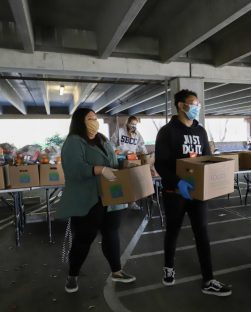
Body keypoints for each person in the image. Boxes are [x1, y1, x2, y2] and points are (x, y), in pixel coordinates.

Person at [154, 89, 232, 296]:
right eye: (192, 103)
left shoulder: (201, 131)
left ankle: (209, 279)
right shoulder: (167, 131)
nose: (196, 107)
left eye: (198, 104)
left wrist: (212, 182)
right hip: (174, 192)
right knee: (173, 231)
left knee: (202, 234)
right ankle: (168, 268)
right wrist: (178, 183)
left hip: (197, 194)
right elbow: (160, 164)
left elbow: (207, 160)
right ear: (181, 105)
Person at [57, 108, 135, 293]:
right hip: (89, 198)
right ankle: (72, 275)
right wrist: (99, 170)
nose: (94, 121)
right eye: (89, 118)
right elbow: (74, 169)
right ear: (79, 121)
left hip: (112, 197)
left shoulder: (103, 139)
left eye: (95, 117)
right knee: (84, 239)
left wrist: (125, 165)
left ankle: (117, 270)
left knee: (112, 235)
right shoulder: (74, 141)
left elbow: (113, 162)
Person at [111, 115, 147, 210]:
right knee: (120, 181)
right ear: (127, 123)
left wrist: (145, 155)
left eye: (135, 124)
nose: (134, 126)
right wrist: (116, 150)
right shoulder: (120, 132)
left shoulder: (137, 134)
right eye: (132, 124)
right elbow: (112, 143)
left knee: (132, 180)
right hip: (120, 159)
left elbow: (141, 145)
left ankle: (132, 202)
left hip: (132, 159)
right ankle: (119, 202)